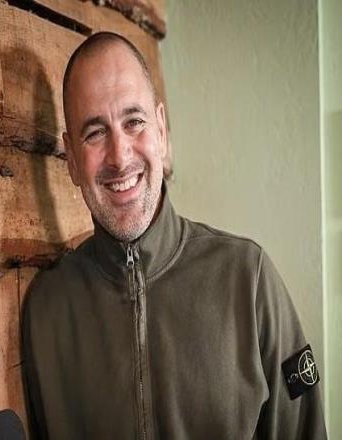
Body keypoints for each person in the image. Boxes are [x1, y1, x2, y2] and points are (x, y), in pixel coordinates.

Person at [22, 32, 327, 439]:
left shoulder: (248, 279)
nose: (119, 155)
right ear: (72, 160)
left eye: (134, 122)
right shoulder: (46, 312)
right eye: (95, 132)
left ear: (162, 132)